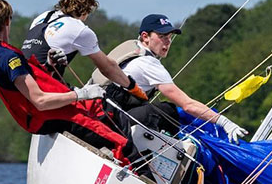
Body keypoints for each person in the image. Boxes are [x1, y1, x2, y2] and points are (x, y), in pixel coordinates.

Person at [0, 0, 132, 161]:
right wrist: (82, 94)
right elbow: (39, 101)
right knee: (123, 142)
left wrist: (50, 66)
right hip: (47, 116)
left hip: (39, 116)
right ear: (7, 21)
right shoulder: (8, 56)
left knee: (106, 113)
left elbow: (27, 86)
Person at [98, 14, 248, 144]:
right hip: (113, 121)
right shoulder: (149, 63)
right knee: (168, 110)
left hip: (103, 112)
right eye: (162, 37)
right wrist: (224, 122)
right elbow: (188, 105)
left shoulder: (132, 48)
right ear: (145, 36)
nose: (167, 42)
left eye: (169, 38)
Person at [22, 0, 147, 102]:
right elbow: (108, 68)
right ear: (90, 3)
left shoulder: (44, 16)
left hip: (24, 87)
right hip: (46, 92)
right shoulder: (78, 29)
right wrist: (134, 88)